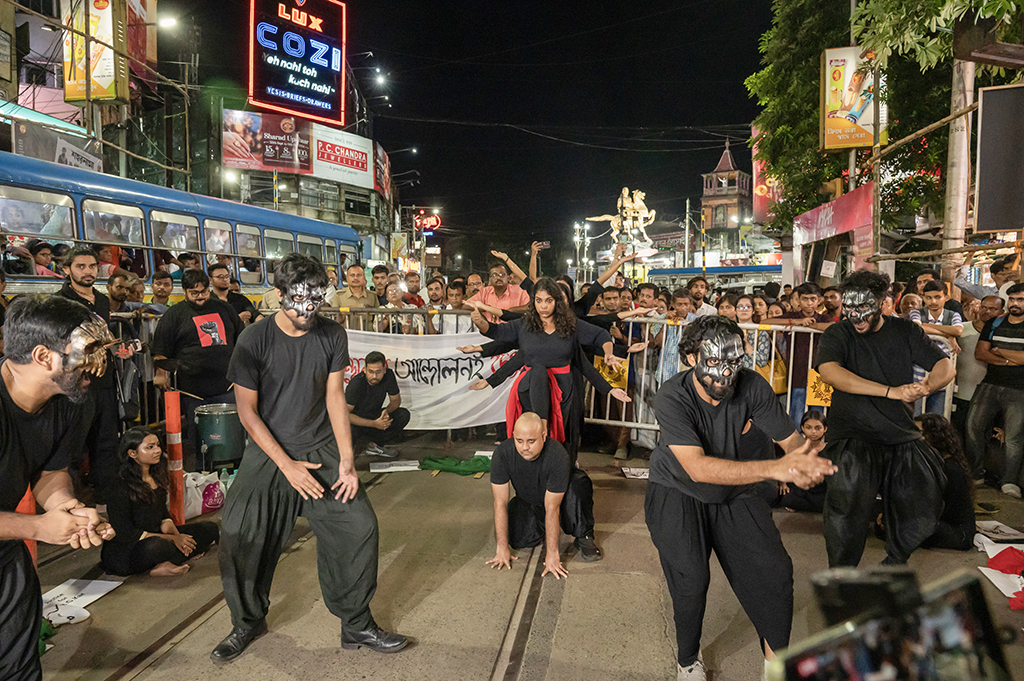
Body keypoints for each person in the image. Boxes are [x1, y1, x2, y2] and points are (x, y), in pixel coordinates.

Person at [214, 253, 406, 663]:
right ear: (279, 294)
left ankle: (355, 624)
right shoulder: (255, 339)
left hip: (320, 448)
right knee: (238, 535)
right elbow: (247, 411)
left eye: (314, 302)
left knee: (359, 527)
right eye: (297, 300)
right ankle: (246, 621)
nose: (306, 311)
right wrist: (286, 465)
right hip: (270, 453)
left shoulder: (333, 335)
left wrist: (348, 461)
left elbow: (335, 398)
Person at [646, 315, 835, 680]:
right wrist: (774, 469)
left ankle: (774, 665)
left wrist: (806, 463)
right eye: (713, 362)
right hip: (677, 491)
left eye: (732, 362)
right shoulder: (672, 395)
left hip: (734, 490)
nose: (724, 375)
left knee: (775, 572)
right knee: (691, 580)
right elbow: (698, 468)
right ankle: (688, 659)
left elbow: (792, 444)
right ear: (690, 358)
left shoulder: (752, 386)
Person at [0, 295, 116, 680]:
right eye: (88, 351)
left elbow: (51, 469)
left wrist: (66, 508)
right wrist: (36, 527)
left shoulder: (68, 400)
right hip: (14, 534)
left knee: (20, 665)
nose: (97, 366)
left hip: (6, 555)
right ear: (43, 356)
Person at [815, 269, 955, 567]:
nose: (857, 317)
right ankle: (842, 577)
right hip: (853, 434)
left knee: (923, 501)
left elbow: (945, 366)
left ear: (881, 303)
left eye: (864, 309)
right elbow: (830, 373)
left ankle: (895, 563)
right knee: (846, 511)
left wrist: (927, 386)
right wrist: (890, 391)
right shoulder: (838, 333)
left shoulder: (905, 331)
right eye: (850, 309)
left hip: (900, 435)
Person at [469, 278, 630, 456]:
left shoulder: (571, 325)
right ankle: (533, 472)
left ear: (557, 302)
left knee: (558, 442)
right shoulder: (524, 324)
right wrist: (479, 322)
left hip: (563, 391)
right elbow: (496, 332)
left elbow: (598, 338)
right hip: (531, 390)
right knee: (534, 439)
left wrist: (609, 378)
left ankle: (558, 473)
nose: (543, 306)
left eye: (548, 301)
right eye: (539, 300)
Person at [487, 412, 601, 579]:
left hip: (561, 499)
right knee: (517, 539)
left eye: (531, 441)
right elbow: (500, 502)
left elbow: (552, 507)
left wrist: (552, 554)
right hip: (529, 498)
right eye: (519, 441)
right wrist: (502, 548)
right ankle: (540, 526)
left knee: (578, 485)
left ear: (543, 436)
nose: (525, 447)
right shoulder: (503, 454)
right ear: (513, 436)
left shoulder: (557, 455)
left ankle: (584, 534)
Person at [152, 269, 243, 469]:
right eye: (194, 293)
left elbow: (241, 340)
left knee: (233, 437)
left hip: (226, 387)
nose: (200, 297)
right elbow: (160, 351)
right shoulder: (174, 315)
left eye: (204, 292)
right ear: (184, 291)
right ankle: (202, 474)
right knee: (199, 441)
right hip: (192, 390)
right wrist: (160, 374)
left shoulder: (224, 309)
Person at [101, 427, 219, 576]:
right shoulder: (119, 485)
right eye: (150, 447)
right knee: (158, 546)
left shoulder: (156, 475)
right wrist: (173, 539)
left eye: (157, 445)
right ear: (132, 453)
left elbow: (163, 517)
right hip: (128, 548)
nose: (157, 450)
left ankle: (166, 562)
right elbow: (126, 533)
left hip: (158, 534)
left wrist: (179, 539)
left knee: (209, 529)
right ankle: (159, 565)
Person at [58, 246, 121, 497]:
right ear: (67, 269)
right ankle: (68, 503)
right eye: (80, 267)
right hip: (75, 384)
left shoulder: (103, 300)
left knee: (106, 443)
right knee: (73, 446)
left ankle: (106, 502)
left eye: (92, 266)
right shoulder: (60, 302)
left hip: (103, 380)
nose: (88, 272)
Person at [964, 283, 1024, 498]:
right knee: (973, 427)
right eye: (1013, 299)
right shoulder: (995, 323)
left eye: (1021, 299)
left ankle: (1008, 482)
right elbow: (980, 353)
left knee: (1014, 438)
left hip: (1019, 389)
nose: (1015, 303)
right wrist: (1014, 360)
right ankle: (976, 474)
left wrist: (1000, 352)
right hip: (990, 384)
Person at [762, 282, 834, 425]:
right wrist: (795, 322)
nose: (809, 303)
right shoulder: (792, 316)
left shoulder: (824, 318)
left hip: (820, 375)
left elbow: (833, 326)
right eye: (805, 299)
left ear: (818, 300)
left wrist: (809, 325)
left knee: (819, 418)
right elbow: (765, 322)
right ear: (799, 300)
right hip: (796, 375)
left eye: (813, 299)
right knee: (797, 417)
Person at [953, 296, 1004, 469]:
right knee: (960, 433)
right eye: (984, 307)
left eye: (993, 309)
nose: (987, 311)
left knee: (985, 435)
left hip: (991, 395)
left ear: (1001, 312)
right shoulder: (962, 329)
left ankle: (984, 470)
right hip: (962, 392)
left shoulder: (1003, 333)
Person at [910, 280, 963, 415]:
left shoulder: (952, 314)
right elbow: (917, 328)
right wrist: (948, 334)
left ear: (946, 297)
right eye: (928, 298)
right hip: (918, 379)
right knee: (916, 418)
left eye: (937, 297)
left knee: (938, 421)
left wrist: (928, 327)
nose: (933, 301)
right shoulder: (917, 313)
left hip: (943, 381)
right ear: (923, 298)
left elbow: (958, 331)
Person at [346, 351, 410, 457]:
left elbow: (395, 401)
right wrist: (374, 424)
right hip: (356, 422)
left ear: (384, 370)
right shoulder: (356, 384)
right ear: (364, 369)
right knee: (347, 430)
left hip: (375, 415)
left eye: (378, 372)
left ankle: (375, 446)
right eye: (371, 372)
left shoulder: (389, 375)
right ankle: (347, 453)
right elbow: (344, 415)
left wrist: (386, 411)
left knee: (403, 415)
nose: (374, 376)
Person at [774, 411, 829, 513]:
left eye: (817, 428)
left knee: (831, 501)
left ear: (825, 429)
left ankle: (810, 507)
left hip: (820, 490)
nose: (813, 432)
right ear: (802, 428)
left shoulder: (829, 449)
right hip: (801, 490)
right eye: (809, 428)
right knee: (787, 499)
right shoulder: (797, 446)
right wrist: (782, 483)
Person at [955, 252, 1019, 303]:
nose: (1007, 276)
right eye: (1003, 274)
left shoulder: (1014, 286)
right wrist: (970, 256)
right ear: (993, 276)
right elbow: (959, 282)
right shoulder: (986, 292)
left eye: (1013, 269)